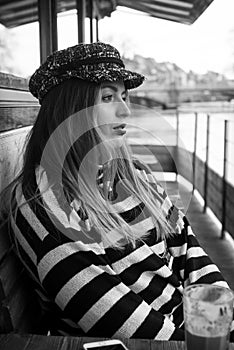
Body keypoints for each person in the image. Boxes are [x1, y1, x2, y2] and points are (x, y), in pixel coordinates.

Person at [1, 42, 233, 340]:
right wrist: (211, 336)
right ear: (70, 110)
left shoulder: (132, 174)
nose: (125, 110)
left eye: (124, 96)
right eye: (108, 97)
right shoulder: (47, 209)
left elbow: (189, 249)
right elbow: (131, 329)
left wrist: (221, 317)